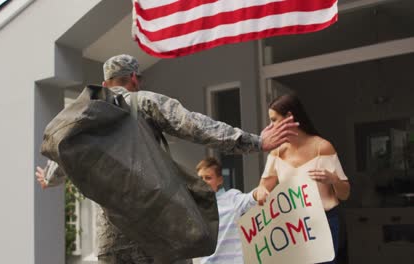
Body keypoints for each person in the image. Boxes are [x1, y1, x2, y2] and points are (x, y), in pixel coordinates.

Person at [36, 54, 299, 264]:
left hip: (112, 238)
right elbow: (195, 125)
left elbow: (63, 153)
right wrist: (255, 142)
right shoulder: (144, 102)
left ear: (105, 84)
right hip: (160, 228)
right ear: (135, 80)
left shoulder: (86, 118)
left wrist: (49, 178)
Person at [255, 94, 350, 264]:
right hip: (294, 228)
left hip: (326, 224)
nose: (271, 127)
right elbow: (263, 188)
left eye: (274, 120)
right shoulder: (277, 152)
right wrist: (260, 191)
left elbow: (345, 194)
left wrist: (333, 180)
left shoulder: (322, 147)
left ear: (290, 118)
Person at [196, 157, 257, 264]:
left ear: (220, 180)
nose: (203, 182)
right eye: (201, 178)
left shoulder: (232, 199)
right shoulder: (194, 206)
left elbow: (253, 197)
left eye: (208, 178)